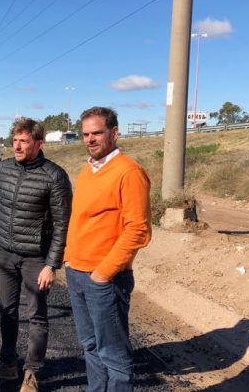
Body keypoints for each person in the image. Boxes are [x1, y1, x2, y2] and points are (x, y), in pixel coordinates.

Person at [0, 117, 72, 392]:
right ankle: (7, 365)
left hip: (35, 259)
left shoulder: (55, 176)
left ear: (39, 143)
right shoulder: (3, 168)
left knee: (37, 317)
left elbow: (62, 224)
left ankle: (32, 373)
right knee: (6, 311)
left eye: (24, 141)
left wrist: (52, 264)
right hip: (4, 253)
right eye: (15, 140)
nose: (17, 146)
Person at [64, 107, 151, 391]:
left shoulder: (129, 172)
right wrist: (68, 258)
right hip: (77, 273)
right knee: (90, 347)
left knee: (114, 356)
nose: (90, 139)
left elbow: (138, 230)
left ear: (114, 133)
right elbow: (80, 219)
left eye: (97, 133)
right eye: (86, 134)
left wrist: (103, 273)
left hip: (105, 280)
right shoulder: (87, 170)